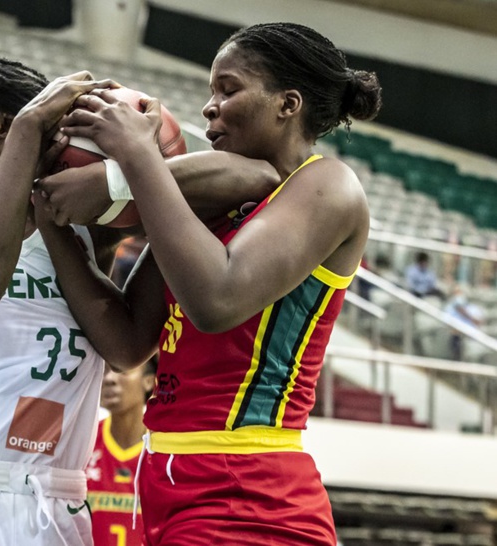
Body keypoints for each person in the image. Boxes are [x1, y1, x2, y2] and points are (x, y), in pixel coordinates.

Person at [0, 52, 278, 545]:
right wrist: (30, 130)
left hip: (62, 503)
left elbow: (256, 176)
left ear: (1, 122)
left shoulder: (76, 229)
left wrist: (128, 167)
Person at [32, 22, 382, 544]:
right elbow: (128, 343)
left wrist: (133, 159)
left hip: (249, 487)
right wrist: (49, 215)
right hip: (164, 480)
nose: (209, 106)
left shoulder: (330, 185)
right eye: (210, 90)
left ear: (288, 104)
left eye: (229, 88)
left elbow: (217, 301)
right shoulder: (211, 208)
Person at [87, 357, 156, 546]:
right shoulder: (85, 442)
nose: (110, 379)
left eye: (122, 371)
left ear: (149, 381)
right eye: (105, 371)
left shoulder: (163, 450)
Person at [444, 285, 485, 361]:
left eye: (459, 292)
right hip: (457, 336)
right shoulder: (449, 308)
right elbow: (446, 324)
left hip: (472, 336)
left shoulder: (472, 307)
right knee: (456, 339)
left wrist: (465, 314)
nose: (458, 295)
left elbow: (479, 322)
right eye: (455, 293)